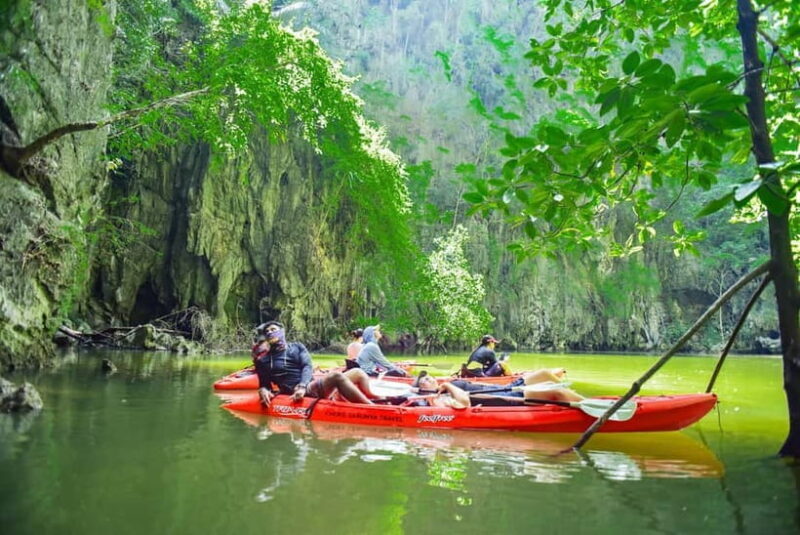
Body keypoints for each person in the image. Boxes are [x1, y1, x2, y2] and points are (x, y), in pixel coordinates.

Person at [253, 321, 379, 406]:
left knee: (358, 372)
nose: (270, 333)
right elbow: (264, 384)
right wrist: (263, 390)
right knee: (335, 376)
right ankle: (370, 407)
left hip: (307, 386)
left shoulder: (297, 347)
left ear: (282, 332)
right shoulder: (263, 360)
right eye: (267, 332)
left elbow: (307, 366)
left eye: (273, 329)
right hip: (295, 390)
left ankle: (374, 398)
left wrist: (303, 385)